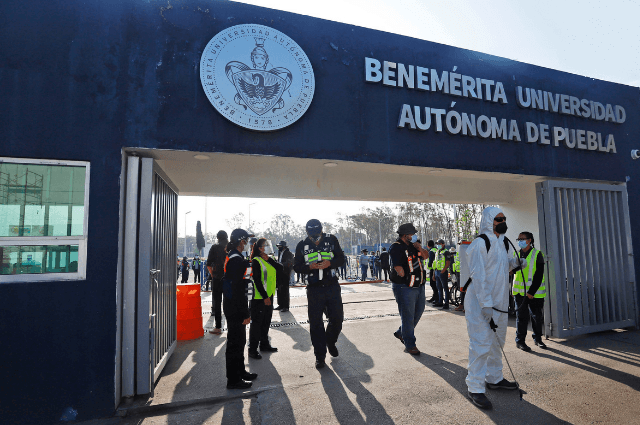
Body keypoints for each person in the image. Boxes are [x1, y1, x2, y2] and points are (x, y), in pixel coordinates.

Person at [465, 207, 526, 410]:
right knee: (481, 344)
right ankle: (475, 387)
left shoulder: (502, 243)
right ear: (489, 221)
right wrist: (486, 304)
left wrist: (515, 263)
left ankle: (494, 378)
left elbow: (501, 268)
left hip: (499, 304)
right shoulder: (479, 244)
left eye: (504, 218)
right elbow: (479, 276)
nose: (503, 221)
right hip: (481, 304)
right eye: (499, 219)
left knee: (497, 342)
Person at [294, 219, 345, 369]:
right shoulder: (302, 244)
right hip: (314, 289)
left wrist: (330, 263)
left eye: (317, 233)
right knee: (316, 323)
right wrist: (309, 267)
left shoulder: (331, 239)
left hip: (332, 286)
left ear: (321, 230)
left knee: (337, 318)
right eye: (311, 234)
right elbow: (296, 266)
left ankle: (330, 341)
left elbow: (341, 259)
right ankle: (320, 356)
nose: (315, 237)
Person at [223, 228, 258, 389]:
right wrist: (245, 312)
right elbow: (238, 290)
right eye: (246, 241)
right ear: (241, 241)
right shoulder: (236, 260)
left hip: (233, 306)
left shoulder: (235, 257)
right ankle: (233, 380)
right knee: (235, 344)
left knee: (240, 341)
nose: (247, 244)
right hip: (235, 308)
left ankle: (241, 372)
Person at [389, 223, 431, 355]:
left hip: (419, 285)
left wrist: (420, 247)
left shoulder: (414, 245)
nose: (414, 236)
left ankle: (402, 333)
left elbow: (425, 256)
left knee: (419, 310)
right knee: (408, 316)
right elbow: (398, 268)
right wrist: (408, 277)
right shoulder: (396, 247)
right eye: (412, 234)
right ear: (405, 235)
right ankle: (410, 343)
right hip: (404, 287)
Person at [248, 238, 282, 359]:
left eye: (268, 245)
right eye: (265, 245)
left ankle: (264, 344)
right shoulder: (256, 261)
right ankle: (252, 349)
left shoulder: (269, 259)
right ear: (259, 248)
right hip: (260, 298)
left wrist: (270, 260)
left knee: (266, 322)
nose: (267, 246)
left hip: (270, 295)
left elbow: (281, 269)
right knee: (257, 324)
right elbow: (257, 280)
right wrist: (265, 296)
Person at [512, 231, 547, 351]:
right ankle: (520, 341)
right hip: (519, 293)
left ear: (529, 240)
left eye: (522, 239)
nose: (520, 241)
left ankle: (538, 339)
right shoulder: (516, 253)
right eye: (519, 239)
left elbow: (539, 274)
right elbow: (513, 270)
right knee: (521, 317)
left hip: (534, 293)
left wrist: (531, 291)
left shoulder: (537, 254)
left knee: (536, 316)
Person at [207, 230, 229, 335]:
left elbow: (208, 264)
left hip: (217, 278)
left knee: (217, 303)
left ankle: (218, 327)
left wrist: (213, 275)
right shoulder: (231, 247)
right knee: (229, 302)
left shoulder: (214, 247)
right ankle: (231, 326)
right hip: (229, 279)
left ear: (218, 237)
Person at [275, 240, 294, 312]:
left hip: (285, 274)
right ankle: (280, 305)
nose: (279, 248)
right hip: (279, 274)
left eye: (280, 246)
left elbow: (289, 263)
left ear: (284, 247)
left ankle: (286, 306)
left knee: (285, 290)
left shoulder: (288, 253)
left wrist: (280, 265)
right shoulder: (280, 253)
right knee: (279, 290)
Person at [434, 239, 452, 309]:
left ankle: (446, 303)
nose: (438, 245)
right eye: (437, 244)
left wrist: (443, 271)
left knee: (445, 288)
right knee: (439, 288)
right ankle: (440, 302)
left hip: (442, 272)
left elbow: (448, 263)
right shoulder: (437, 251)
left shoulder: (446, 252)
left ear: (443, 244)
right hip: (437, 272)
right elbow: (435, 262)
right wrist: (434, 273)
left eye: (439, 244)